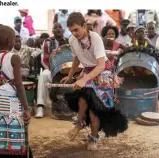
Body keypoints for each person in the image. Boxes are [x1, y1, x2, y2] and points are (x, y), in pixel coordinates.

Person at [62, 12, 128, 150]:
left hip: (103, 73)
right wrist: (70, 75)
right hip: (88, 72)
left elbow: (101, 66)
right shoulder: (72, 40)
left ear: (84, 26)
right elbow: (76, 59)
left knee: (95, 111)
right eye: (71, 31)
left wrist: (84, 79)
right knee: (82, 100)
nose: (74, 33)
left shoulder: (95, 38)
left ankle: (93, 137)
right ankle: (80, 122)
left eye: (76, 29)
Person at [0, 25, 31, 158]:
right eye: (15, 38)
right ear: (9, 40)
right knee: (13, 138)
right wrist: (26, 108)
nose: (15, 41)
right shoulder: (14, 57)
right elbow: (19, 86)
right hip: (11, 104)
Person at [35, 23, 69, 118]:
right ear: (52, 31)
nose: (58, 29)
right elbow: (44, 59)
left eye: (60, 27)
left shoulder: (69, 40)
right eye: (55, 27)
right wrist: (53, 70)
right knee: (43, 75)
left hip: (68, 70)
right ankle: (40, 106)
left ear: (63, 30)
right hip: (52, 69)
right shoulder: (48, 41)